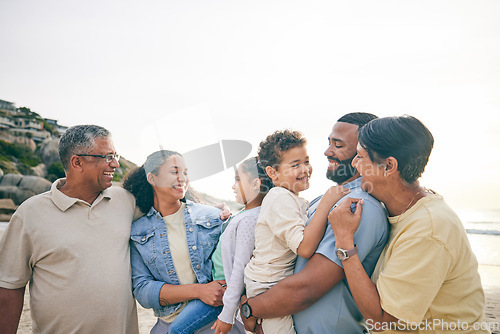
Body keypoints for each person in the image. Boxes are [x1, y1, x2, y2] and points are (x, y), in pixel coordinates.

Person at [329, 115, 489, 333]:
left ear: (388, 166)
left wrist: (344, 240)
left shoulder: (428, 229)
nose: (354, 164)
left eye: (360, 156)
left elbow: (382, 321)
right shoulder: (402, 209)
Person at [240, 113, 390, 334]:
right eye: (329, 143)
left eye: (338, 145)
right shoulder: (324, 199)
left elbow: (307, 288)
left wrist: (250, 309)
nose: (327, 151)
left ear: (363, 155)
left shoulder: (358, 206)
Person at [0, 125, 141, 334]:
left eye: (115, 155)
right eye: (107, 156)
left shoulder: (126, 201)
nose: (116, 163)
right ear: (77, 162)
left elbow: (171, 213)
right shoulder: (29, 214)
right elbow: (9, 289)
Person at [124, 150, 245, 334]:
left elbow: (240, 259)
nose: (182, 178)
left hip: (216, 325)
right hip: (169, 326)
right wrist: (199, 291)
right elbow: (143, 290)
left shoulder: (213, 217)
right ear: (152, 178)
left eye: (185, 173)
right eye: (174, 172)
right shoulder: (138, 231)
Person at [242, 129, 350, 334]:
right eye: (295, 165)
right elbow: (304, 248)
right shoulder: (279, 198)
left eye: (306, 161)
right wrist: (327, 202)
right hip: (267, 285)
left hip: (274, 281)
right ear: (272, 172)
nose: (305, 169)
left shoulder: (292, 198)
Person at [170, 157, 273, 334]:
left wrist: (227, 315)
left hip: (223, 293)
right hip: (218, 287)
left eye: (238, 180)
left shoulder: (249, 219)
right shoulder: (245, 214)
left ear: (256, 184)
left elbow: (239, 268)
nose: (233, 186)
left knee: (177, 330)